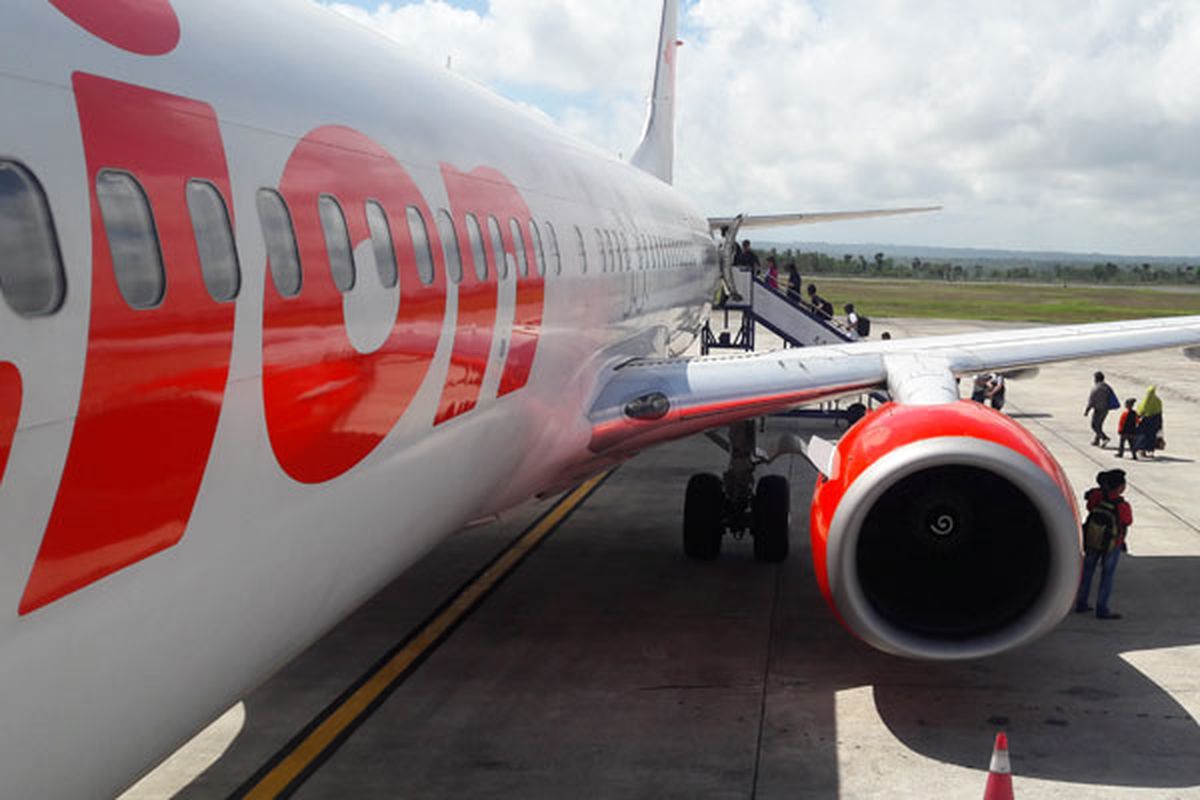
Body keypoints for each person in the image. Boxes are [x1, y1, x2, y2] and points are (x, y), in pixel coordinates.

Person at [1075, 469, 1133, 620]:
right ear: (1120, 487)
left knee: (1087, 571)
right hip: (1112, 543)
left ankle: (1081, 602)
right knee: (1107, 576)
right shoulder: (1121, 504)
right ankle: (1102, 608)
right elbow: (1127, 521)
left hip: (1094, 538)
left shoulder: (1096, 495)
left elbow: (1090, 507)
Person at [1084, 370, 1115, 447]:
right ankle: (1096, 440)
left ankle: (1104, 438)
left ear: (1096, 379)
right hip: (1106, 409)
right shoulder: (1107, 386)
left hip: (1098, 410)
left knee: (1094, 425)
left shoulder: (1096, 388)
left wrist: (1087, 411)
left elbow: (1091, 401)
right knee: (1099, 425)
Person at [1133, 385, 1163, 458]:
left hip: (1146, 420)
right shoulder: (1158, 401)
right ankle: (1150, 451)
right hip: (1156, 420)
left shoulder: (1145, 400)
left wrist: (1138, 416)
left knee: (1142, 435)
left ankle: (1142, 449)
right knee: (1152, 436)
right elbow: (1160, 411)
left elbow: (1141, 410)